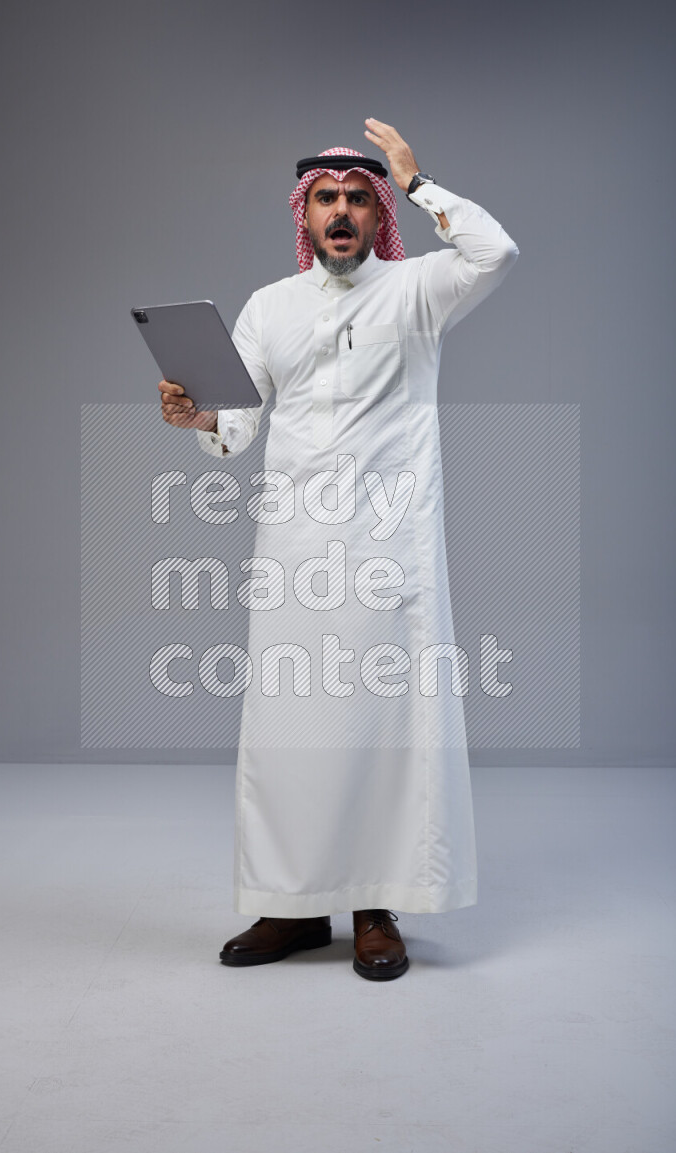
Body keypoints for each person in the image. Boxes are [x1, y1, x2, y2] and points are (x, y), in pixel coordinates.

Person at [159, 118, 519, 981]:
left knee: (385, 728)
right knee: (290, 730)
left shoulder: (419, 291)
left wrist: (418, 178)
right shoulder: (268, 308)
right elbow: (238, 421)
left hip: (390, 547)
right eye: (328, 199)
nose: (344, 213)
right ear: (305, 213)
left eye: (361, 198)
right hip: (294, 552)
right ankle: (289, 907)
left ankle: (374, 909)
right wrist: (198, 415)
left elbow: (496, 251)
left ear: (378, 211)